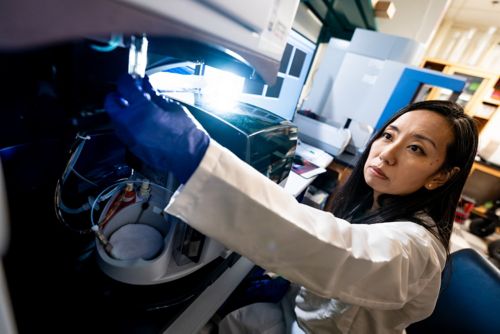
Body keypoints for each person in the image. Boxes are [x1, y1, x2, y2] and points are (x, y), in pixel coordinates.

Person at [105, 74, 478, 333]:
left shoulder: (415, 248)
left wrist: (197, 156)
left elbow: (339, 250)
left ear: (441, 176)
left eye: (416, 149)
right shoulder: (378, 203)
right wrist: (288, 284)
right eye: (388, 136)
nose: (387, 154)